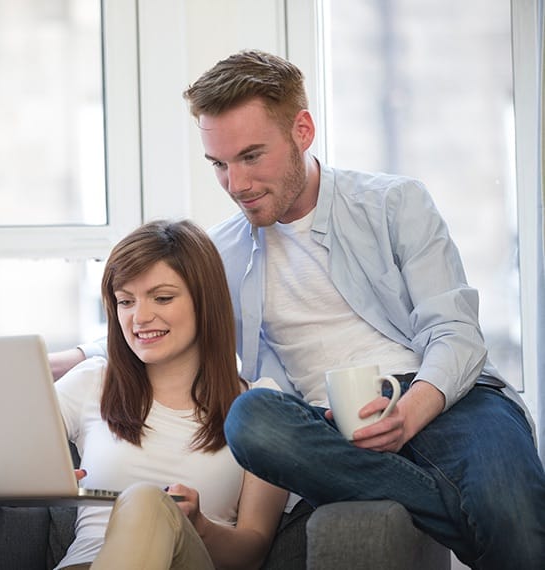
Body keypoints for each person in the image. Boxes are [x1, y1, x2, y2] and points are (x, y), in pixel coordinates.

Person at [53, 50, 545, 569]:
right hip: (328, 429)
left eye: (250, 156)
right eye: (219, 165)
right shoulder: (219, 252)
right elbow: (147, 314)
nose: (235, 184)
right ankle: (464, 513)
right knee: (251, 418)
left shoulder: (393, 204)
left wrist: (409, 413)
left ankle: (473, 512)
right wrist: (50, 361)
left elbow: (456, 331)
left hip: (447, 397)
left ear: (302, 130)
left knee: (509, 505)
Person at [52, 219, 287, 570]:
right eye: (125, 301)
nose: (140, 317)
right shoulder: (91, 383)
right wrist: (37, 481)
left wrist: (200, 527)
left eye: (162, 298)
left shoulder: (260, 407)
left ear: (204, 302)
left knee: (147, 500)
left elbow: (252, 551)